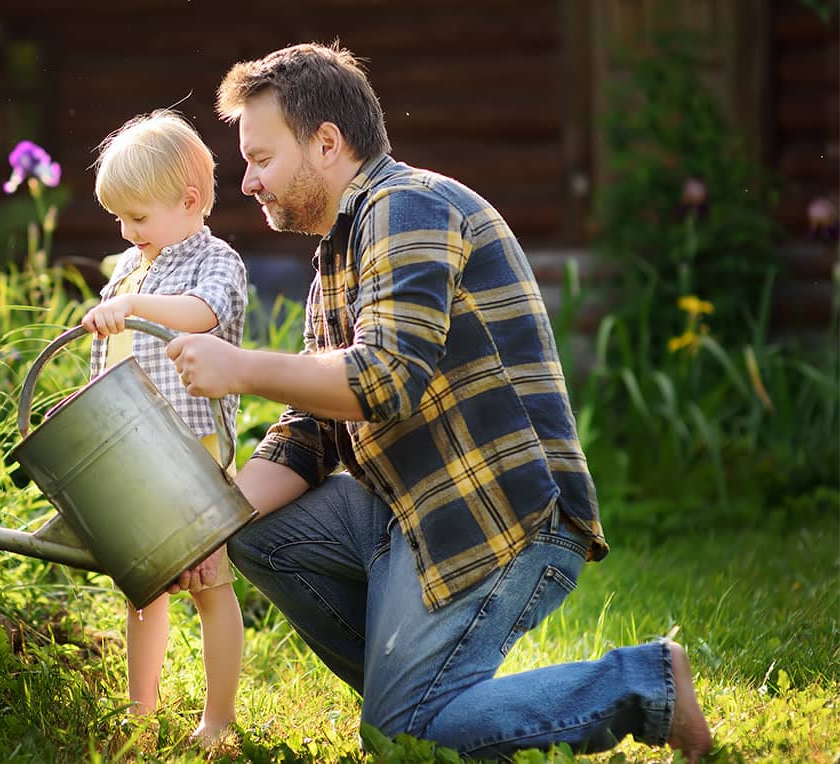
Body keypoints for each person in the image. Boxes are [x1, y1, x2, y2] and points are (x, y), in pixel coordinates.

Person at [164, 43, 713, 761]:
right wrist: (203, 525)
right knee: (254, 530)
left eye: (261, 158)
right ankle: (433, 690)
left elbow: (385, 378)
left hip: (495, 513)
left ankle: (644, 682)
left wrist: (240, 369)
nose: (248, 181)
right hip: (407, 510)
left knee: (402, 737)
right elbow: (312, 435)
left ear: (326, 143)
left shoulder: (409, 206)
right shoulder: (337, 255)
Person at [81, 109, 249, 746]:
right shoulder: (131, 267)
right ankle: (141, 712)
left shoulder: (217, 262)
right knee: (143, 588)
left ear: (188, 201)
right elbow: (115, 358)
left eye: (138, 218)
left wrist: (130, 305)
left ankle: (219, 718)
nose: (128, 232)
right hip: (134, 453)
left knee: (210, 586)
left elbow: (203, 316)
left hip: (193, 453)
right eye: (119, 219)